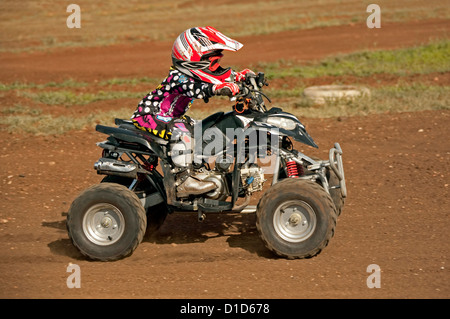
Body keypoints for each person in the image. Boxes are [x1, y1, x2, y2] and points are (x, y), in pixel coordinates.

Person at [131, 26, 254, 197]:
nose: (216, 67)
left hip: (168, 118)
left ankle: (197, 168)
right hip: (149, 116)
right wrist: (219, 90)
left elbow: (219, 76)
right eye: (213, 62)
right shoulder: (178, 77)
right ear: (193, 59)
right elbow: (196, 88)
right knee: (183, 133)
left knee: (202, 129)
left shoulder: (193, 74)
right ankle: (184, 181)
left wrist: (240, 76)